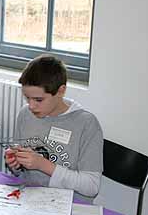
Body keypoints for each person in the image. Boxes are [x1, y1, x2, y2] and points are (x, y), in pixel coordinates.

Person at [5, 54, 103, 202]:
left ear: (61, 91)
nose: (31, 106)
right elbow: (20, 173)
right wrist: (16, 164)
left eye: (39, 99)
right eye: (27, 98)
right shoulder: (25, 114)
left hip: (68, 204)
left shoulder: (86, 124)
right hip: (29, 197)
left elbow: (91, 186)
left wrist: (43, 165)